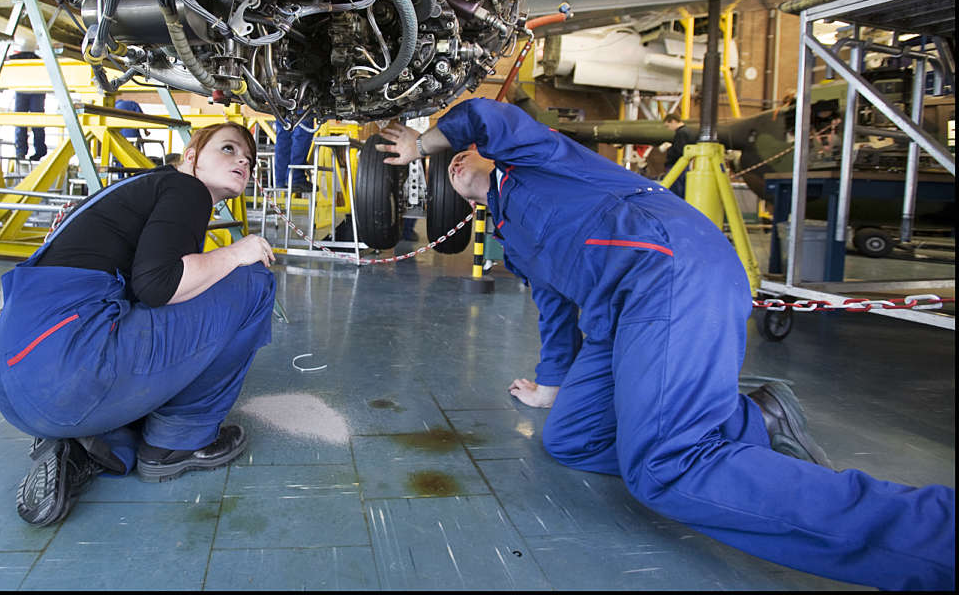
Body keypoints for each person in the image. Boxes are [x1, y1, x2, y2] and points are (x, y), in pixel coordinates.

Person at [376, 97, 954, 591]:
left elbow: (488, 115)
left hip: (672, 274)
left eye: (459, 157)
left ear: (477, 156)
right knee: (572, 440)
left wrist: (423, 142)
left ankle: (931, 537)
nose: (454, 167)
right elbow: (553, 311)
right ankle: (750, 419)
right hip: (618, 318)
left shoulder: (535, 160)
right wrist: (552, 387)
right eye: (448, 171)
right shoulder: (511, 236)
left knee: (666, 466)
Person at [0, 121, 276, 527]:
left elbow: (144, 295)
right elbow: (159, 285)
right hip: (67, 367)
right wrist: (235, 253)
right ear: (191, 156)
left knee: (174, 303)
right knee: (254, 281)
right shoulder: (185, 189)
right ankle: (178, 442)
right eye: (228, 149)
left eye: (249, 158)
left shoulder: (145, 190)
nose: (243, 160)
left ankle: (92, 444)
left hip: (17, 380)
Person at [9, 37, 47, 161]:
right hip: (36, 92)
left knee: (21, 123)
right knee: (37, 123)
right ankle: (39, 151)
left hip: (23, 91)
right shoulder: (40, 60)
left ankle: (21, 151)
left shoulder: (14, 59)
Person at [274, 118, 316, 195]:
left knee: (283, 134)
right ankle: (295, 177)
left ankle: (281, 179)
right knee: (302, 131)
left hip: (279, 107)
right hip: (300, 108)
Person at [663, 112, 693, 197]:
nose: (669, 129)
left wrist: (669, 148)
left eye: (668, 126)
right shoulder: (686, 131)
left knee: (676, 192)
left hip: (677, 166)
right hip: (682, 167)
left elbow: (679, 151)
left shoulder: (681, 133)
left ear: (673, 121)